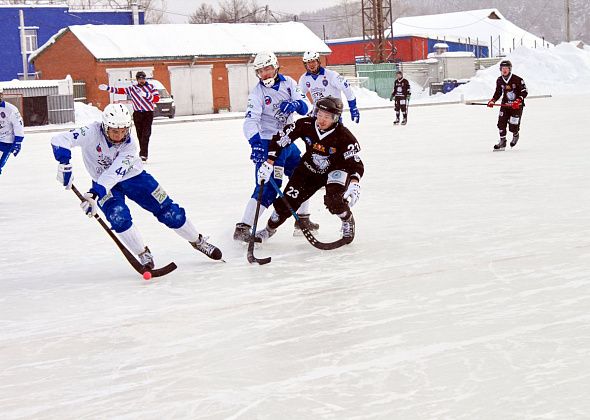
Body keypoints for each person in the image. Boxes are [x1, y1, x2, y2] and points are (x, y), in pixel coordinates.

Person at [50, 103, 222, 269]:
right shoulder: (90, 132)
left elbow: (115, 173)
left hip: (134, 177)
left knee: (170, 212)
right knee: (118, 218)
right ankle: (143, 253)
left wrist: (94, 194)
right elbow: (59, 140)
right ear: (104, 126)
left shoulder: (130, 146)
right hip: (102, 183)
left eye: (124, 131)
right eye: (115, 131)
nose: (119, 136)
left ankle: (198, 241)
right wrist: (65, 163)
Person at [234, 51, 318, 242]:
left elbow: (305, 105)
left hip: (287, 140)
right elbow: (250, 121)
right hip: (269, 144)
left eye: (268, 69)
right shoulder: (257, 93)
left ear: (276, 66)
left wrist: (296, 103)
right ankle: (243, 227)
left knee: (304, 177)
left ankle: (302, 219)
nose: (264, 74)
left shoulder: (288, 82)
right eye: (260, 71)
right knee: (269, 188)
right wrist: (255, 144)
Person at [255, 96, 364, 245]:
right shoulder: (305, 124)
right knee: (287, 202)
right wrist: (269, 163)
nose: (321, 119)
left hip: (335, 170)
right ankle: (269, 229)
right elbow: (281, 139)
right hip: (308, 170)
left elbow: (355, 163)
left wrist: (354, 182)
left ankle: (347, 219)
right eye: (319, 114)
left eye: (327, 117)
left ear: (336, 118)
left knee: (334, 201)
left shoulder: (344, 136)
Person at [98, 71, 160, 162]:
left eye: (143, 78)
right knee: (139, 134)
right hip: (137, 113)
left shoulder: (151, 87)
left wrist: (146, 95)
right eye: (139, 79)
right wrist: (107, 88)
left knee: (146, 134)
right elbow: (120, 91)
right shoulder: (133, 88)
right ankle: (142, 152)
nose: (141, 80)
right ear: (137, 79)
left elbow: (157, 99)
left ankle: (143, 154)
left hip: (148, 113)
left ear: (145, 78)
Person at [298, 51, 360, 123]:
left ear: (318, 61)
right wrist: (308, 107)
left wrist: (353, 107)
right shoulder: (304, 79)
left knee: (335, 133)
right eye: (308, 63)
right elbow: (300, 95)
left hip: (333, 112)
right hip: (318, 114)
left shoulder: (332, 75)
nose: (311, 65)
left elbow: (346, 88)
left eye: (313, 61)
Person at [487, 60, 528, 151]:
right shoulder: (499, 80)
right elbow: (498, 92)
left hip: (516, 106)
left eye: (506, 68)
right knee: (501, 123)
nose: (504, 70)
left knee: (513, 126)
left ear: (510, 69)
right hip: (505, 105)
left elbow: (524, 91)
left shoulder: (517, 79)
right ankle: (502, 141)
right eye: (503, 68)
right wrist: (493, 100)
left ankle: (515, 135)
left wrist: (519, 100)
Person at [0, 87, 25, 174]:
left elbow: (18, 125)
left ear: (1, 95)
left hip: (6, 142)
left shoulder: (10, 109)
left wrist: (18, 142)